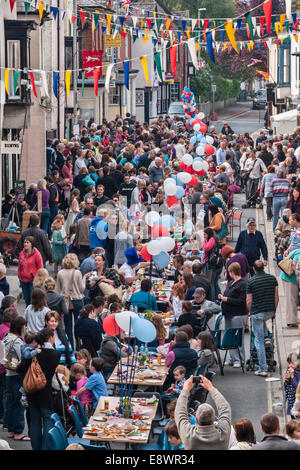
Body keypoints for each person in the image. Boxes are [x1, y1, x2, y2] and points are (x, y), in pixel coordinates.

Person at [17, 327, 61, 450]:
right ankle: (45, 448)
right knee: (47, 420)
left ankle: (36, 448)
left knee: (35, 421)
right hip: (46, 392)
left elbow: (19, 369)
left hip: (31, 391)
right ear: (51, 337)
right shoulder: (55, 355)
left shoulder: (32, 353)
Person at [174, 374, 231, 450]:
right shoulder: (223, 432)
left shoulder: (188, 434)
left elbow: (179, 411)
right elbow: (225, 408)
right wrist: (211, 388)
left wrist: (185, 390)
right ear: (214, 419)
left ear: (196, 420)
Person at [247, 260, 279, 376]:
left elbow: (249, 300)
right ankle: (267, 337)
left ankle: (263, 368)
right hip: (269, 311)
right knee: (262, 323)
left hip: (257, 312)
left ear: (254, 269)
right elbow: (276, 297)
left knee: (258, 340)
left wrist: (250, 312)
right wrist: (274, 310)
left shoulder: (251, 281)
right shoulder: (272, 279)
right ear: (263, 268)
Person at [2, 316, 29, 441]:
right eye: (24, 326)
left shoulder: (6, 338)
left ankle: (11, 429)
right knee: (19, 404)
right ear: (20, 327)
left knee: (11, 403)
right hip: (17, 375)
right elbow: (22, 358)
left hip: (8, 374)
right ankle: (18, 431)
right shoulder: (17, 341)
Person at [218, 262, 247, 368]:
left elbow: (242, 301)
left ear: (232, 272)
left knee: (237, 337)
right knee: (229, 336)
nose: (228, 274)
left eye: (229, 272)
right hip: (228, 314)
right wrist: (222, 297)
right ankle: (232, 357)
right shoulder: (231, 283)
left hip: (238, 314)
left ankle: (240, 359)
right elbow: (227, 295)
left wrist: (227, 299)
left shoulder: (243, 284)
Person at [56, 254, 87, 349]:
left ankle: (70, 348)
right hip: (77, 300)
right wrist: (84, 278)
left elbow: (58, 290)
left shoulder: (60, 273)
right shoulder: (77, 273)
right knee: (78, 325)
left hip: (65, 301)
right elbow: (82, 289)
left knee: (68, 326)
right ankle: (79, 347)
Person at [18, 236, 44, 307]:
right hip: (23, 280)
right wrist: (19, 276)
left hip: (32, 280)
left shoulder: (37, 254)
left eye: (27, 242)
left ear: (32, 244)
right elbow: (19, 266)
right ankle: (27, 313)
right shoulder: (22, 253)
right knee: (26, 299)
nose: (25, 244)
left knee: (33, 300)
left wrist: (38, 280)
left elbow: (40, 268)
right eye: (24, 242)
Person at [280, 247, 300, 327]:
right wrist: (298, 277)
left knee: (291, 299)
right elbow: (293, 264)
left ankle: (292, 319)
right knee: (291, 299)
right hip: (290, 278)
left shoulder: (296, 250)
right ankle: (291, 320)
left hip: (286, 277)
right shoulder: (299, 253)